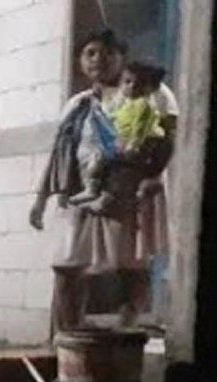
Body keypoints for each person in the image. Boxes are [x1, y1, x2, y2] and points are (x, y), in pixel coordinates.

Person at [30, 28, 178, 332]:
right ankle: (68, 337)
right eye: (90, 53)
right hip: (82, 194)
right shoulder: (78, 104)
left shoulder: (151, 91)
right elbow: (59, 155)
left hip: (129, 193)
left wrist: (151, 177)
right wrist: (40, 199)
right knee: (66, 266)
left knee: (131, 265)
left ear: (123, 58)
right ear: (80, 62)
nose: (98, 59)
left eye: (107, 53)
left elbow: (168, 137)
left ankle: (127, 329)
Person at [69, 60, 169, 212]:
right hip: (121, 141)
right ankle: (92, 188)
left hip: (139, 146)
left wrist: (132, 146)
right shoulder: (129, 103)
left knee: (118, 171)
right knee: (98, 159)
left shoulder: (144, 105)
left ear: (151, 88)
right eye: (127, 82)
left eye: (140, 84)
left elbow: (140, 129)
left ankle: (103, 197)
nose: (132, 87)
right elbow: (117, 117)